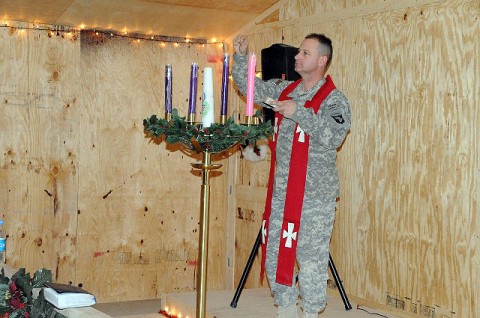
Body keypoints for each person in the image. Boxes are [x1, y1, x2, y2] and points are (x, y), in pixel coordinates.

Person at [232, 34, 351, 318]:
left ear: (322, 60)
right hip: (283, 194)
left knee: (310, 261)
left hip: (314, 198)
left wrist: (300, 113)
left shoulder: (335, 100)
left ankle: (310, 313)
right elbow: (251, 88)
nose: (297, 57)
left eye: (305, 53)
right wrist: (241, 57)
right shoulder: (286, 90)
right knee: (274, 254)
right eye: (299, 52)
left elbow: (333, 136)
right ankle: (285, 310)